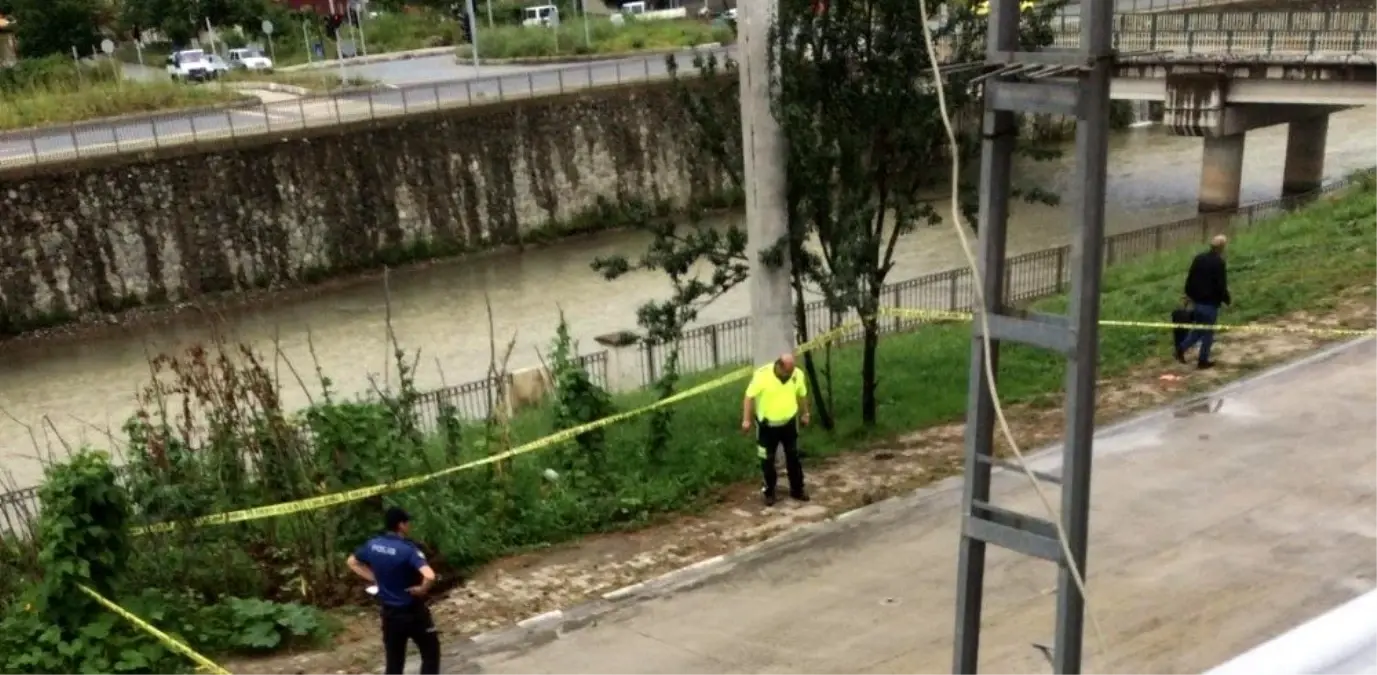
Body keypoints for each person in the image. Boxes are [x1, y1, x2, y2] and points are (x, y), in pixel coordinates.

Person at [347, 507, 440, 675]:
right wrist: (421, 589)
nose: (409, 525)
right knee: (430, 653)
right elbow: (430, 576)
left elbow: (352, 562)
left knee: (394, 662)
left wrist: (375, 578)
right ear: (401, 525)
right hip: (414, 612)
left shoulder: (373, 545)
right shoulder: (408, 550)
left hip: (390, 615)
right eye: (407, 522)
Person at [741, 352, 811, 506]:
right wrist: (746, 420)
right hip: (767, 427)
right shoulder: (762, 376)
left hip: (789, 424)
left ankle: (797, 489)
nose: (789, 375)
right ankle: (769, 492)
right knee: (767, 460)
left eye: (791, 371)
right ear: (779, 366)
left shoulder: (797, 375)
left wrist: (805, 413)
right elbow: (748, 397)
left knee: (793, 456)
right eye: (787, 372)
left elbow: (802, 394)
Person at [1177, 234, 1232, 370]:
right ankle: (1203, 360)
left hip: (1197, 301)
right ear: (1221, 248)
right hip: (1209, 303)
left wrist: (1188, 294)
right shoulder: (1219, 263)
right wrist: (1227, 299)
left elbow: (1190, 278)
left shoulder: (1199, 258)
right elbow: (1220, 285)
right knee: (1208, 333)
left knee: (1199, 329)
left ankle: (1181, 349)